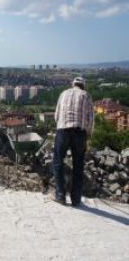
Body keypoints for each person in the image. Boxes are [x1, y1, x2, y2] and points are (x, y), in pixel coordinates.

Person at [52, 77, 94, 206]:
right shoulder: (86, 95)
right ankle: (76, 199)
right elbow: (90, 118)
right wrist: (88, 135)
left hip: (63, 130)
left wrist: (60, 126)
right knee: (78, 166)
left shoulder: (63, 93)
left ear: (73, 84)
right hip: (79, 132)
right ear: (83, 86)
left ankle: (60, 195)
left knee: (58, 162)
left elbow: (56, 115)